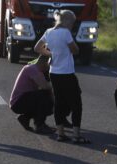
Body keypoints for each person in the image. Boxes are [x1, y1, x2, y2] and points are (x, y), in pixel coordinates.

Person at [34, 10, 89, 143]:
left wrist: (51, 53)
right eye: (73, 23)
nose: (73, 26)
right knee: (76, 104)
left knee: (59, 102)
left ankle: (61, 134)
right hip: (67, 73)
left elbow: (37, 48)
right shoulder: (65, 33)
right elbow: (75, 49)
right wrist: (68, 49)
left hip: (54, 73)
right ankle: (76, 136)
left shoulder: (49, 32)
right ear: (68, 21)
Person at [10, 55, 54, 133]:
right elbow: (45, 86)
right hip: (17, 102)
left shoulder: (37, 70)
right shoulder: (32, 69)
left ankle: (25, 118)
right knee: (43, 96)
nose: (49, 68)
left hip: (23, 100)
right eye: (49, 65)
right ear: (44, 63)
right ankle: (39, 125)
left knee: (47, 99)